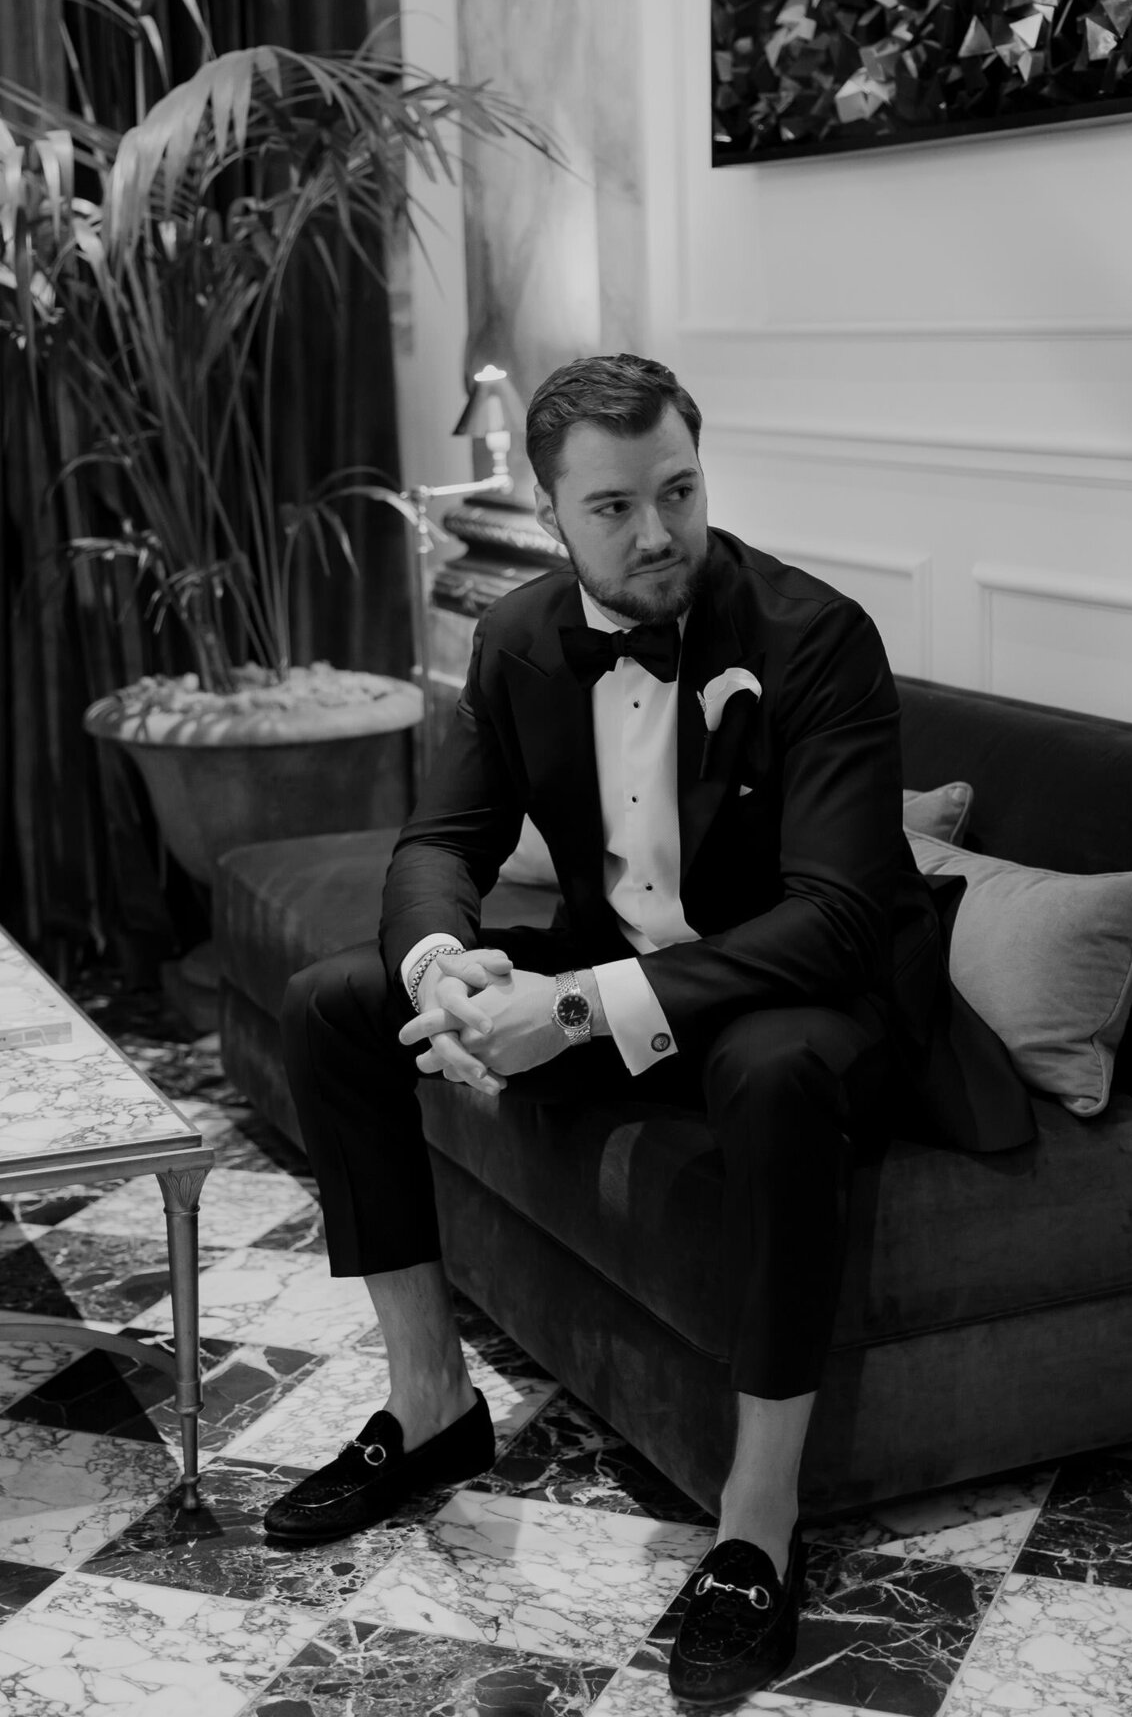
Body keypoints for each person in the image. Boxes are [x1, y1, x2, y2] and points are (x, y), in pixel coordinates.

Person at [264, 352, 944, 1705]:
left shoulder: (817, 638)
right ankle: (431, 1405)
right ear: (551, 510)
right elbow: (438, 840)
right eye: (616, 508)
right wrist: (451, 972)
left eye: (681, 492)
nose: (660, 535)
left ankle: (757, 1523)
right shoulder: (518, 638)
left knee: (776, 1068)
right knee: (340, 1001)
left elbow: (837, 919)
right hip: (626, 965)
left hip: (801, 996)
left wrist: (569, 1009)